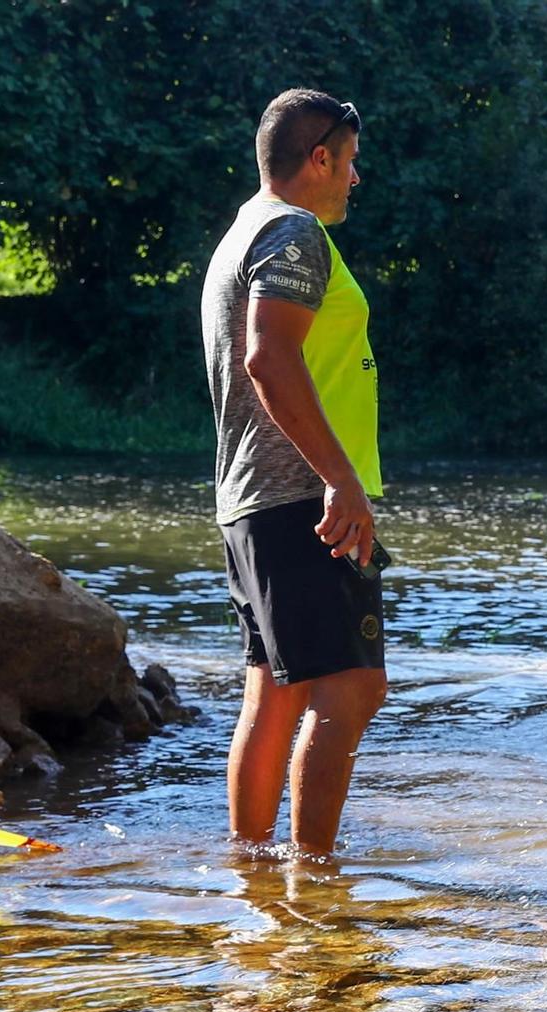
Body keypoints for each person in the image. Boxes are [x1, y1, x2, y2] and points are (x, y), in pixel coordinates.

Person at [201, 89, 385, 856]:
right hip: (303, 497)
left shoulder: (241, 230)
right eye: (348, 163)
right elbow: (268, 356)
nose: (354, 179)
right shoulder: (294, 230)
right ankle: (317, 881)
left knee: (276, 692)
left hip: (252, 500)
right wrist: (340, 478)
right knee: (351, 688)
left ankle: (251, 872)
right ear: (318, 159)